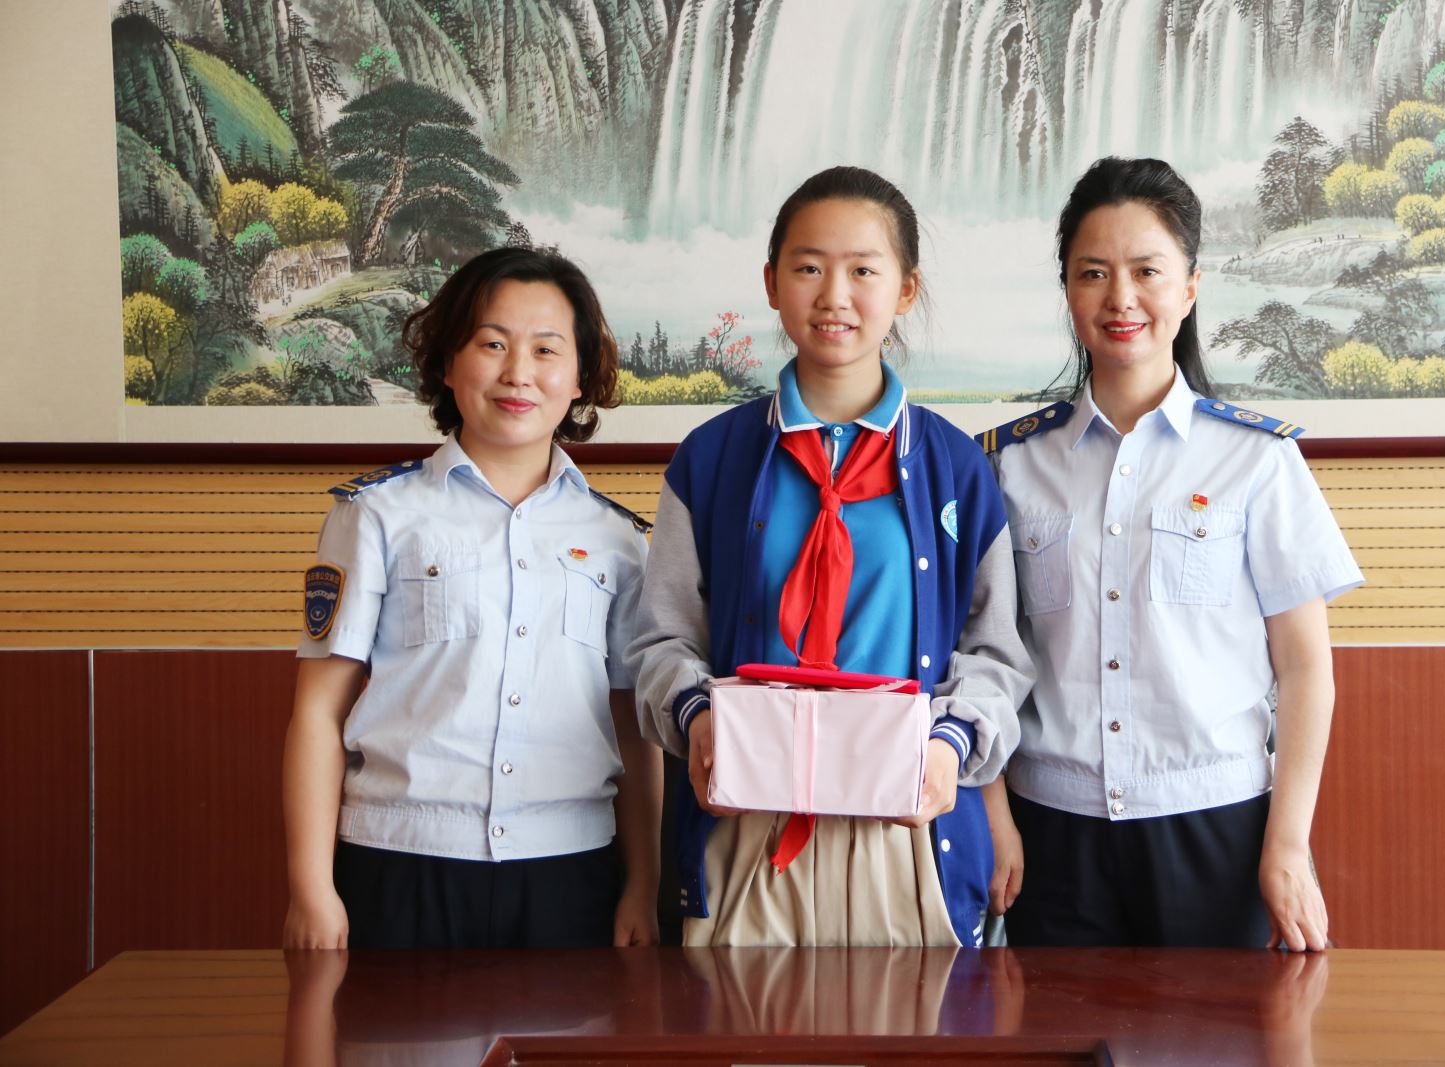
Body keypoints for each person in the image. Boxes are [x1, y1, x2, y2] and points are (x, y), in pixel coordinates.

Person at [629, 166, 1030, 948]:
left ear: (905, 290)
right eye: (809, 267)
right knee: (741, 1023)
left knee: (916, 1021)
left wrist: (952, 743)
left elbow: (996, 652)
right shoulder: (710, 460)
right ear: (772, 283)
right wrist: (696, 714)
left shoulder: (956, 467)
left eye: (863, 271)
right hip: (748, 824)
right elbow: (660, 639)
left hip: (908, 830)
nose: (834, 295)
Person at [981, 157, 1363, 951]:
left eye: (1146, 271)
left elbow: (1305, 668)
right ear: (1068, 291)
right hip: (1050, 831)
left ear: (1189, 287)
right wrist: (991, 817)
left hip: (1218, 830)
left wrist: (1287, 844)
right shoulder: (1011, 465)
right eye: (1093, 273)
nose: (1120, 298)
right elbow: (982, 656)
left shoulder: (1257, 459)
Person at [282, 246, 661, 950]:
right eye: (492, 344)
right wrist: (312, 890)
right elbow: (316, 713)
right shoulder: (377, 515)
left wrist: (643, 883)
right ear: (449, 363)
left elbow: (633, 728)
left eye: (546, 349)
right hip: (400, 861)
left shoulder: (617, 539)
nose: (518, 372)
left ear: (580, 375)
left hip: (571, 869)